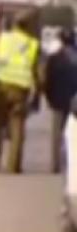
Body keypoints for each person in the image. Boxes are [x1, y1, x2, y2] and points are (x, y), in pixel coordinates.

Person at [0, 9, 43, 174]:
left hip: (0, 89)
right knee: (17, 130)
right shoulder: (33, 45)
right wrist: (37, 95)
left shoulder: (3, 40)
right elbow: (40, 74)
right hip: (20, 92)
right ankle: (13, 166)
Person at [46, 28, 77, 173]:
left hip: (58, 100)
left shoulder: (54, 58)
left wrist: (49, 97)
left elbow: (48, 80)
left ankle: (55, 165)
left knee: (57, 135)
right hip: (73, 100)